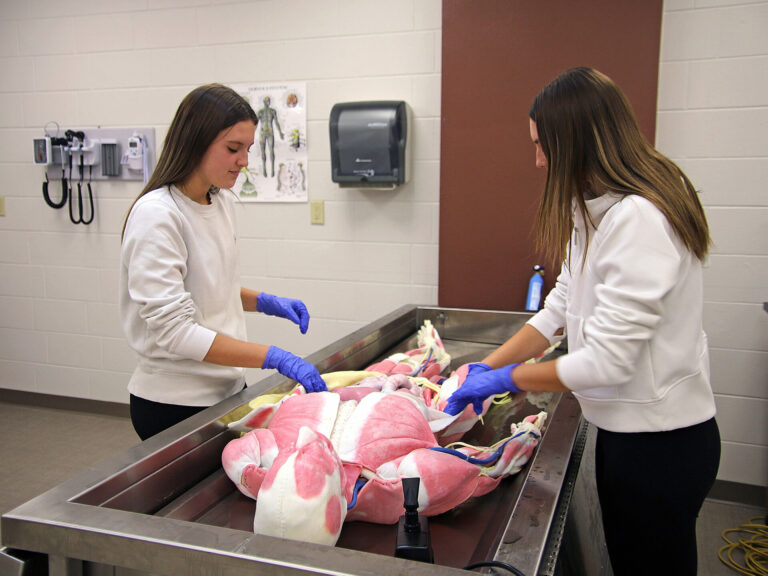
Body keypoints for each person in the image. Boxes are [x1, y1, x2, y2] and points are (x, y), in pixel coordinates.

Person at [444, 67, 720, 576]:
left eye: (543, 145)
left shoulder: (641, 218)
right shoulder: (593, 208)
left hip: (662, 446)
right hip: (628, 436)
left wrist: (507, 379)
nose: (539, 160)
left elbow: (608, 363)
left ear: (578, 139)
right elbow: (559, 307)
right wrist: (482, 367)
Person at [119, 83, 326, 441]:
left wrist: (264, 302)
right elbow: (175, 332)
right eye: (233, 149)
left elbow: (211, 287)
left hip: (227, 390)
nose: (245, 161)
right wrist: (273, 356)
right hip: (174, 404)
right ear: (195, 142)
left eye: (247, 148)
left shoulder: (221, 203)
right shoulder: (157, 215)